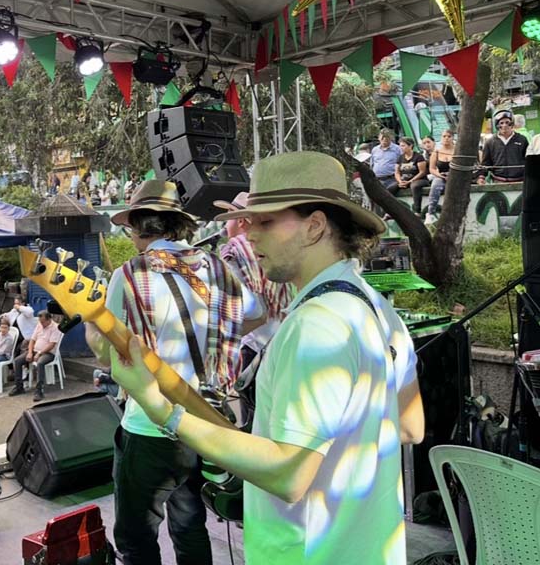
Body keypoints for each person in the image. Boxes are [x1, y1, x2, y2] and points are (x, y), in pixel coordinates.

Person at [106, 152, 424, 565]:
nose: (249, 234)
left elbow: (288, 475)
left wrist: (163, 411)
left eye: (265, 222)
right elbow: (410, 426)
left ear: (315, 226)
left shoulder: (315, 326)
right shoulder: (378, 307)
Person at [82, 179, 260, 565]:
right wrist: (218, 334)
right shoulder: (214, 266)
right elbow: (257, 313)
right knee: (190, 524)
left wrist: (91, 324)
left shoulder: (130, 274)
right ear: (177, 224)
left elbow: (107, 354)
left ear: (138, 227)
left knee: (136, 535)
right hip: (206, 419)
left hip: (150, 425)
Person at [214, 191, 295, 423]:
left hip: (256, 348)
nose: (225, 226)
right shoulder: (278, 247)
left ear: (240, 220)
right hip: (284, 338)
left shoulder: (233, 250)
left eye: (228, 217)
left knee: (256, 421)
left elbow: (250, 307)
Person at [8, 310, 62, 402]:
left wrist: (39, 353)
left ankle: (39, 390)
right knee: (18, 361)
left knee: (40, 363)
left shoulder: (55, 327)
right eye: (40, 322)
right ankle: (19, 387)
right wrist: (29, 352)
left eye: (43, 322)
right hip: (35, 350)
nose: (42, 324)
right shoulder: (39, 325)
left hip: (48, 353)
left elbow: (51, 345)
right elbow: (32, 340)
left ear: (49, 319)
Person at [478, 109, 529, 184]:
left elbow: (528, 160)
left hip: (520, 181)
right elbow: (486, 163)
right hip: (498, 181)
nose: (504, 125)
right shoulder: (490, 142)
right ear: (497, 125)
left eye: (507, 122)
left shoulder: (522, 140)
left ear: (512, 123)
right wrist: (481, 177)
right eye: (501, 123)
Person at [387, 137, 428, 216]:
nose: (401, 148)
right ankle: (390, 211)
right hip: (403, 179)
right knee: (390, 189)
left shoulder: (418, 157)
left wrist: (410, 181)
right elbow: (397, 172)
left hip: (418, 179)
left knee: (415, 186)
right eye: (400, 146)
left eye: (403, 146)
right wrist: (400, 181)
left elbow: (422, 172)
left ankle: (417, 211)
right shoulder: (400, 158)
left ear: (410, 146)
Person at [426, 128, 455, 224]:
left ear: (452, 138)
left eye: (449, 136)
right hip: (441, 175)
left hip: (455, 176)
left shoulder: (457, 151)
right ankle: (430, 212)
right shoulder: (436, 152)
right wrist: (439, 175)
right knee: (435, 185)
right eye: (444, 136)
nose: (446, 138)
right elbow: (432, 169)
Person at [370, 128, 402, 192]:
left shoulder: (397, 149)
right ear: (379, 138)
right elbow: (372, 164)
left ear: (390, 138)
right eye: (382, 139)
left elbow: (402, 163)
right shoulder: (375, 150)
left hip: (392, 179)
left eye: (386, 139)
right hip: (378, 179)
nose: (384, 141)